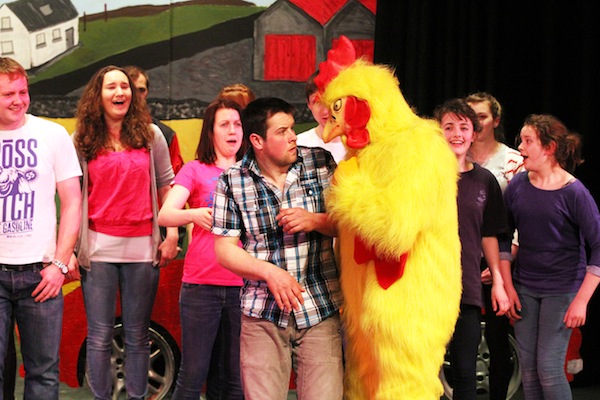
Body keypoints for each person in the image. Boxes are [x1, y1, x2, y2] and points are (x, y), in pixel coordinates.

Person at [212, 97, 344, 400]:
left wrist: (315, 220)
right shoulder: (232, 181)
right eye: (282, 131)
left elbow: (348, 225)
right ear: (257, 140)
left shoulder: (320, 163)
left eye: (292, 128)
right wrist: (270, 273)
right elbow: (225, 250)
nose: (293, 137)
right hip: (262, 313)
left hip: (319, 307)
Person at [73, 65, 178, 400]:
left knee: (137, 335)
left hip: (143, 249)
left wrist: (172, 234)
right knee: (100, 336)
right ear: (97, 95)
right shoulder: (83, 139)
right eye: (111, 87)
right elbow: (72, 195)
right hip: (98, 249)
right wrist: (70, 249)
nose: (119, 93)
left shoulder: (151, 135)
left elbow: (167, 186)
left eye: (125, 87)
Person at [502, 114, 600, 400]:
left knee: (549, 368)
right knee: (529, 371)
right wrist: (508, 287)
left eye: (527, 141)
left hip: (562, 289)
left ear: (550, 147)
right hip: (525, 287)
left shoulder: (574, 193)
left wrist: (581, 300)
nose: (520, 147)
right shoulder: (518, 186)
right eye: (521, 140)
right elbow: (504, 238)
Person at [0, 57, 82, 399]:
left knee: (44, 373)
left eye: (23, 91)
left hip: (42, 274)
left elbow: (73, 201)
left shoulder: (52, 134)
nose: (19, 100)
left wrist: (60, 265)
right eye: (8, 94)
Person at [158, 99, 246, 400]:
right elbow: (165, 214)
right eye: (224, 124)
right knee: (193, 374)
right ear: (211, 132)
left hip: (243, 287)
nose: (232, 131)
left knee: (234, 378)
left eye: (237, 124)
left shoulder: (253, 172)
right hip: (201, 286)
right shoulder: (195, 170)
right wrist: (193, 214)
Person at [434, 98, 510, 400]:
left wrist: (499, 284)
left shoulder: (484, 180)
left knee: (464, 373)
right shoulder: (424, 178)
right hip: (427, 290)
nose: (456, 134)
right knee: (427, 374)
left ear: (474, 133)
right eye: (449, 126)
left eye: (463, 127)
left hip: (466, 289)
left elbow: (490, 235)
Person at [466, 92, 524, 400]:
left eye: (482, 116)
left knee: (499, 338)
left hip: (500, 258)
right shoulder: (454, 158)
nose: (475, 122)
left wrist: (505, 260)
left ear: (496, 120)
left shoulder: (514, 162)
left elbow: (523, 215)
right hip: (459, 258)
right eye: (470, 115)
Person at [124, 65, 184, 175]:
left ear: (147, 93)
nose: (136, 96)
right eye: (131, 89)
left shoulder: (166, 135)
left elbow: (175, 183)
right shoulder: (100, 132)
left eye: (141, 90)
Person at [296, 71, 347, 163]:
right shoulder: (299, 145)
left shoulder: (363, 145)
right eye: (317, 103)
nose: (325, 111)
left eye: (332, 102)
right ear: (309, 104)